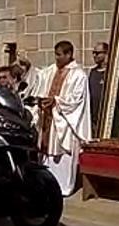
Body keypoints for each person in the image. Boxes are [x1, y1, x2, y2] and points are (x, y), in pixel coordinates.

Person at [35, 41, 91, 197]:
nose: (57, 58)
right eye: (56, 54)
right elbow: (38, 78)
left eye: (60, 55)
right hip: (49, 119)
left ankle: (63, 187)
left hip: (65, 121)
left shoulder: (78, 75)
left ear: (69, 54)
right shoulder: (51, 71)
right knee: (46, 153)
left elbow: (76, 100)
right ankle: (47, 183)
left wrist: (56, 101)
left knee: (63, 155)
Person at [88, 42, 109, 135]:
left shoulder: (110, 72)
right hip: (94, 119)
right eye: (93, 53)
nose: (94, 55)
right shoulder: (93, 72)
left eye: (97, 53)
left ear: (106, 53)